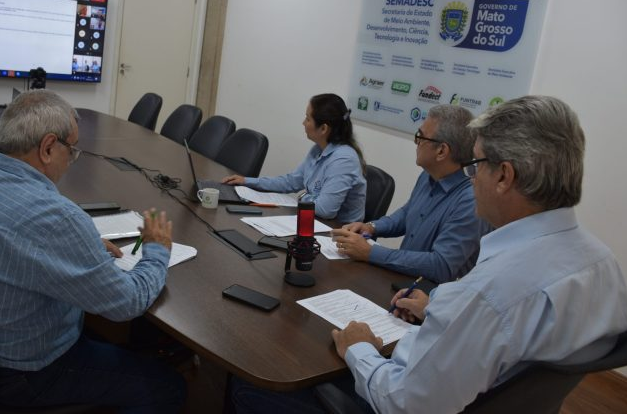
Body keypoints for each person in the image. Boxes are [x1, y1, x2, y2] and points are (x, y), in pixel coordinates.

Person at [233, 95, 627, 414]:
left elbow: (402, 403)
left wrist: (359, 348)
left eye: (476, 166)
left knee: (249, 382)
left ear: (504, 176)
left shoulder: (486, 295)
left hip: (409, 397)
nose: (470, 178)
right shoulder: (603, 264)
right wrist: (437, 305)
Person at [0, 90, 185, 412]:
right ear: (48, 147)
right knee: (168, 386)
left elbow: (13, 242)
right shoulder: (55, 218)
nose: (71, 160)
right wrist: (157, 250)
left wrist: (79, 248)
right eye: (72, 150)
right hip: (25, 374)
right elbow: (128, 303)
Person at [332, 104, 489, 283]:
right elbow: (407, 214)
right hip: (400, 278)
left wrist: (370, 252)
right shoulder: (428, 175)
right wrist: (371, 227)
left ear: (441, 151)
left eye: (420, 136)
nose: (416, 143)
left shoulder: (471, 201)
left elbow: (441, 265)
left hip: (427, 293)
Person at [223, 93, 367, 223]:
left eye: (308, 119)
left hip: (339, 231)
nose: (303, 123)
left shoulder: (344, 160)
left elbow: (325, 210)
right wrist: (247, 181)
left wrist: (302, 197)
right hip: (315, 222)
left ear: (323, 128)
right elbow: (291, 181)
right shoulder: (318, 149)